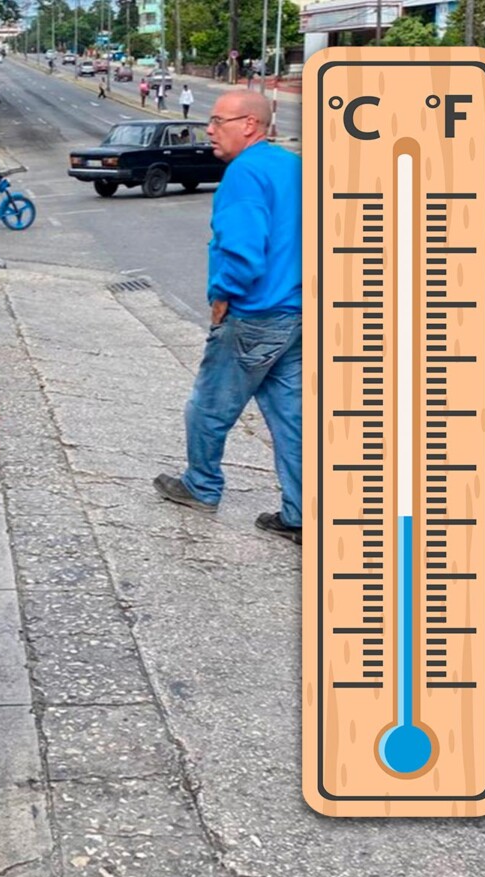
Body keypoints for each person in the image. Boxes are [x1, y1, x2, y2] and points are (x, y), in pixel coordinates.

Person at [154, 90, 303, 545]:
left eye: (218, 121)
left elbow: (241, 248)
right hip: (298, 312)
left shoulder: (244, 173)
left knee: (209, 406)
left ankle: (200, 485)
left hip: (254, 313)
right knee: (291, 416)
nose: (210, 130)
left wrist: (223, 296)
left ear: (250, 125)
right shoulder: (294, 166)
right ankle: (303, 513)